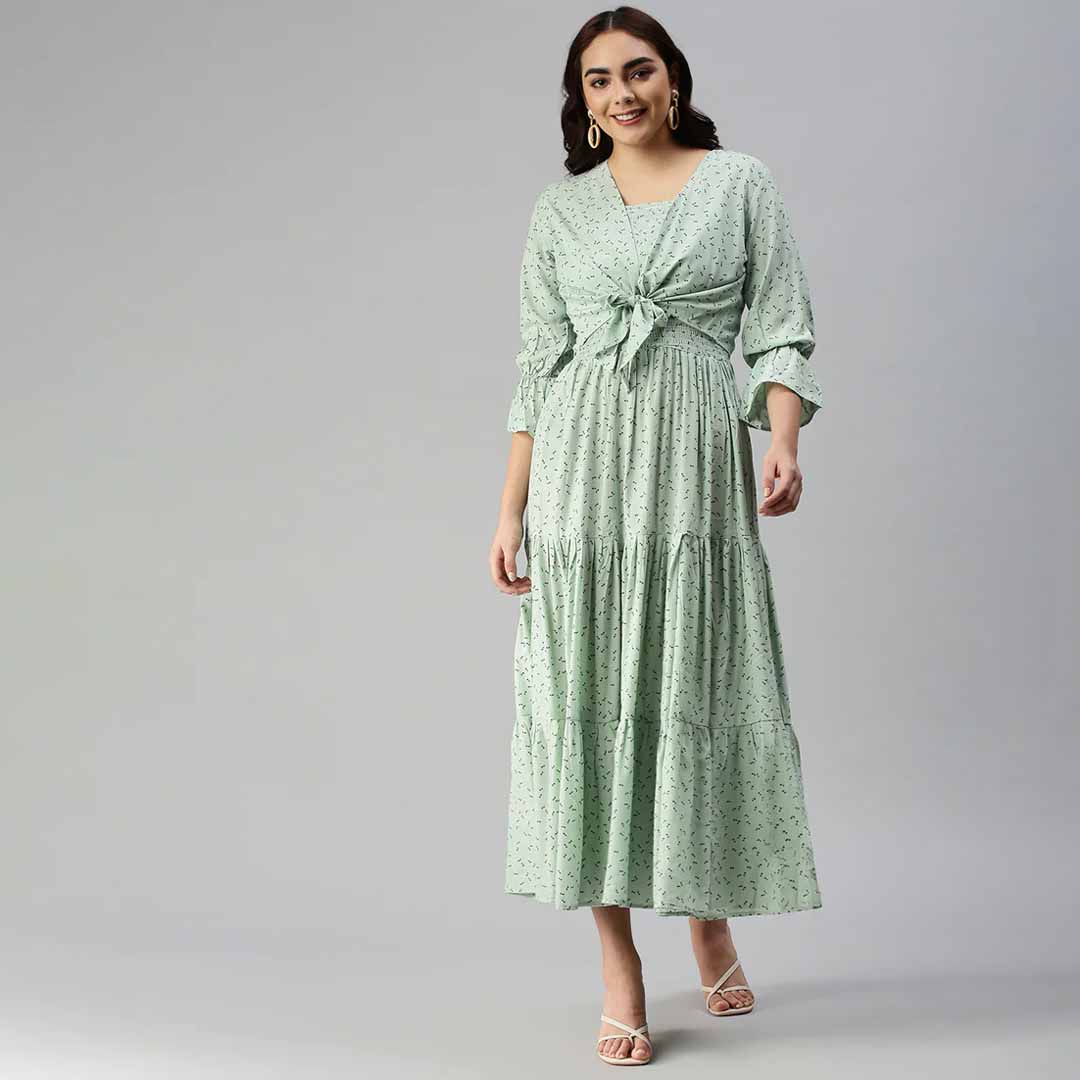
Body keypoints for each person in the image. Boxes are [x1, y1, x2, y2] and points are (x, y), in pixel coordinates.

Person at [489, 7, 824, 1066]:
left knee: (691, 685)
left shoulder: (739, 184)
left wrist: (781, 441)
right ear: (583, 103)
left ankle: (707, 917)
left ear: (673, 80)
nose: (621, 93)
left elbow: (780, 325)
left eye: (638, 72)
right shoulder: (560, 210)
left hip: (690, 470)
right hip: (581, 478)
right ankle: (619, 965)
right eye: (598, 80)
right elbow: (538, 366)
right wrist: (510, 509)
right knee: (588, 699)